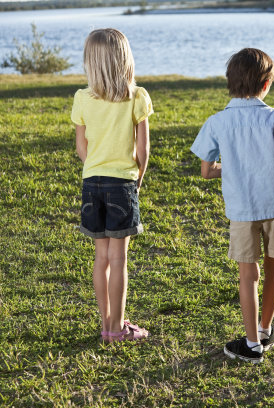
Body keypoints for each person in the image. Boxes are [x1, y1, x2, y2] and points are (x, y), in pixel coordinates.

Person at [191, 48, 274, 364]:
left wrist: (228, 167)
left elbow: (207, 170)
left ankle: (251, 344)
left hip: (242, 211)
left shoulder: (217, 122)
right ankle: (265, 330)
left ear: (230, 84)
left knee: (248, 275)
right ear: (266, 85)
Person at [71, 28, 153, 343]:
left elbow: (82, 147)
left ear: (90, 62)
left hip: (91, 182)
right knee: (119, 258)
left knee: (101, 256)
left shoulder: (81, 98)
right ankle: (117, 329)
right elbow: (143, 151)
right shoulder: (138, 96)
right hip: (123, 183)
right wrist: (138, 178)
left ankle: (108, 322)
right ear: (125, 59)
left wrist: (95, 168)